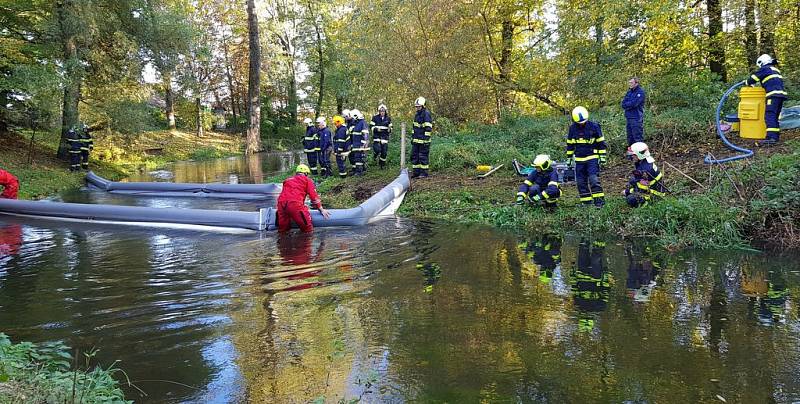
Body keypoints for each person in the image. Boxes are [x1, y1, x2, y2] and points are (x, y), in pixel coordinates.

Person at [566, 106, 606, 207]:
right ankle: (587, 202)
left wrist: (602, 156)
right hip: (579, 159)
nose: (582, 123)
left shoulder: (594, 126)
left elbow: (601, 142)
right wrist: (569, 158)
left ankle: (599, 202)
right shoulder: (572, 129)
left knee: (593, 180)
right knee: (580, 182)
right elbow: (570, 144)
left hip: (592, 157)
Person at [744, 54, 787, 146]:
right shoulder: (775, 69)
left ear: (762, 62)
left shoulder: (765, 69)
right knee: (774, 116)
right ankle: (775, 136)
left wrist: (747, 82)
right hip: (780, 96)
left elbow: (754, 78)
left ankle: (771, 138)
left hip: (773, 95)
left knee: (770, 115)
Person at [276, 164, 330, 232]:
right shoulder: (307, 180)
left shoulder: (287, 180)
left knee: (283, 230)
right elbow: (314, 197)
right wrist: (321, 209)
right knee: (308, 230)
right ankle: (305, 242)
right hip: (295, 204)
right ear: (306, 173)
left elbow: (286, 194)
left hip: (281, 205)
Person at [572, 240, 610, 332]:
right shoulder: (599, 306)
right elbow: (606, 291)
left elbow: (574, 288)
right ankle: (599, 238)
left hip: (583, 274)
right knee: (595, 258)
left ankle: (586, 237)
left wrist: (572, 272)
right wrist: (605, 276)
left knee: (583, 251)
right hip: (594, 276)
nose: (586, 314)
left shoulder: (578, 305)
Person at [623, 142, 667, 208]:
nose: (631, 158)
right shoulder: (644, 161)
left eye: (633, 155)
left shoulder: (644, 170)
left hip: (654, 193)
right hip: (653, 186)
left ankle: (646, 202)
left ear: (640, 155)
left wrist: (628, 192)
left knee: (630, 199)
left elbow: (643, 188)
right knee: (632, 180)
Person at [621, 77, 646, 148]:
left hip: (636, 118)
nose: (630, 84)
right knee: (630, 138)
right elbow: (623, 104)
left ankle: (641, 156)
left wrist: (628, 105)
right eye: (629, 82)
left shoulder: (640, 92)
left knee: (637, 138)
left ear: (636, 83)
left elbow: (635, 104)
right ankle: (632, 155)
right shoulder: (629, 92)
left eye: (631, 83)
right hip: (628, 117)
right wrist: (629, 105)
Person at [411, 96, 433, 178]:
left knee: (423, 156)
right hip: (416, 141)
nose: (417, 108)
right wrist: (413, 138)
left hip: (424, 141)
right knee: (414, 156)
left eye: (419, 106)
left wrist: (426, 140)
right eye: (416, 107)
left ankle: (424, 173)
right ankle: (416, 172)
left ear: (423, 106)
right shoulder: (417, 115)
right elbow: (415, 128)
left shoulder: (426, 114)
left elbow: (428, 127)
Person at [370, 104, 392, 169]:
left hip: (384, 137)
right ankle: (375, 157)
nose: (382, 112)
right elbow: (371, 126)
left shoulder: (388, 118)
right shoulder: (375, 118)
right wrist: (376, 129)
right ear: (379, 111)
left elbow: (391, 127)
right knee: (377, 150)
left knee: (384, 152)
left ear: (385, 111)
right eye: (381, 111)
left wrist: (389, 129)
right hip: (377, 137)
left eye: (383, 111)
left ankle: (382, 165)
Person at [350, 109, 369, 175]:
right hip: (356, 144)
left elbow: (365, 134)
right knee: (357, 158)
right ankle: (361, 170)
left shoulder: (362, 123)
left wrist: (363, 143)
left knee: (359, 158)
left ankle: (359, 172)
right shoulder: (357, 123)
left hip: (360, 144)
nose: (352, 119)